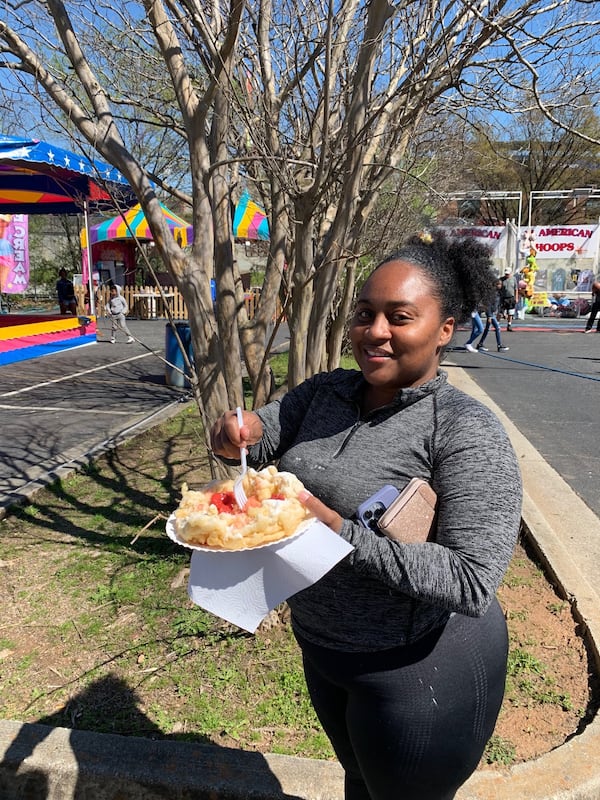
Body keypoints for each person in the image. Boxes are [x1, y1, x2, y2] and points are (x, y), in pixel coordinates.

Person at [209, 230, 522, 800]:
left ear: (445, 329)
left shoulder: (464, 431)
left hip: (417, 670)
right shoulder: (328, 391)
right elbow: (271, 427)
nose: (375, 332)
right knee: (359, 782)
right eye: (364, 314)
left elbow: (472, 581)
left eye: (399, 317)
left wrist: (336, 529)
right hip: (323, 647)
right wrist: (240, 432)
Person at [477, 279, 509, 352]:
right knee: (496, 328)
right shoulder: (492, 294)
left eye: (500, 284)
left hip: (493, 313)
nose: (500, 286)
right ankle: (499, 345)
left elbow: (498, 305)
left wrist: (502, 312)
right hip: (490, 314)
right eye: (498, 284)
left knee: (489, 329)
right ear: (495, 285)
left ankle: (481, 344)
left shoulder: (498, 293)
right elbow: (488, 305)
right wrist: (489, 316)